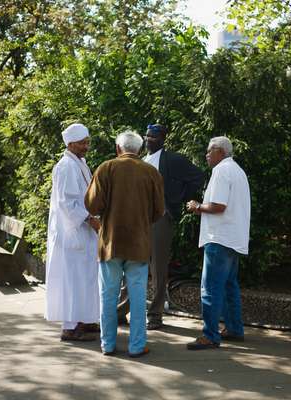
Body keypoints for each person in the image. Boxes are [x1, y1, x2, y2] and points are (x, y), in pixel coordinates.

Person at [85, 130, 164, 357]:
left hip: (110, 242)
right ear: (138, 150)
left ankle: (108, 345)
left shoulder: (106, 168)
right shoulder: (151, 172)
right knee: (138, 296)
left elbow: (92, 206)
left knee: (108, 295)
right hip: (139, 244)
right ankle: (137, 345)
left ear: (118, 148)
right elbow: (159, 211)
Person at [117, 124, 204, 329]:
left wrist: (176, 199)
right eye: (146, 136)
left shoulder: (173, 160)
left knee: (157, 267)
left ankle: (155, 315)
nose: (149, 139)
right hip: (137, 218)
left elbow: (197, 177)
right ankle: (120, 311)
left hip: (160, 218)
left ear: (163, 139)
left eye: (153, 136)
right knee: (132, 263)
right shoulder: (140, 160)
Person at [185, 136, 250, 350]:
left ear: (220, 152)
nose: (206, 154)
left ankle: (210, 335)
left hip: (219, 238)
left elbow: (218, 205)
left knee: (210, 288)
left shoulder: (221, 170)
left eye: (210, 151)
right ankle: (234, 329)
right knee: (230, 286)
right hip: (233, 238)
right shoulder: (238, 171)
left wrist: (197, 206)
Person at [44, 123, 101, 342]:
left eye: (87, 142)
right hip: (72, 232)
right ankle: (70, 327)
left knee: (85, 278)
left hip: (81, 230)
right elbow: (67, 203)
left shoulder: (79, 163)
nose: (86, 146)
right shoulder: (67, 166)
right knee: (72, 280)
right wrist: (90, 220)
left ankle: (84, 320)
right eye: (82, 143)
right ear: (70, 144)